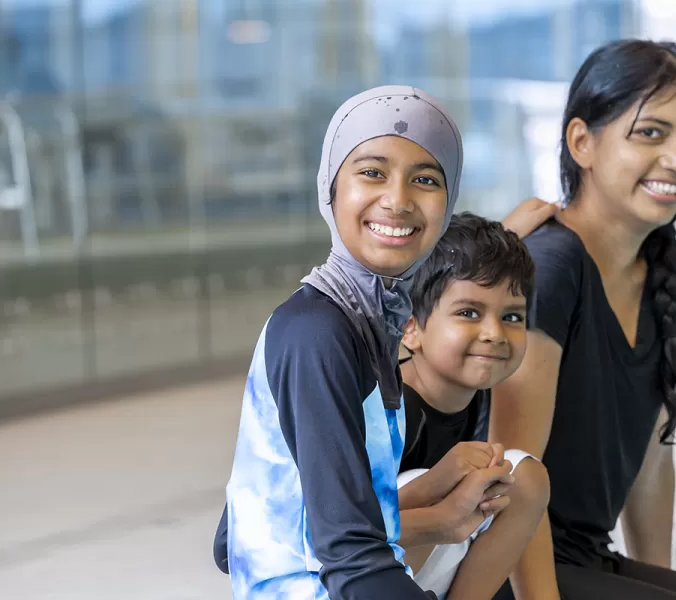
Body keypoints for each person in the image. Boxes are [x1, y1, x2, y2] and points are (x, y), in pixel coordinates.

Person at [218, 85, 514, 600]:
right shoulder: (318, 333)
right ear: (330, 188)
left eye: (425, 179)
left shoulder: (368, 323)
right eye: (372, 172)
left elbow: (233, 536)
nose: (397, 201)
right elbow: (351, 556)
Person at [489, 40, 676, 599]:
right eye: (651, 133)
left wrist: (663, 583)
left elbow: (652, 462)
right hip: (500, 567)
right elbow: (512, 474)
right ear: (582, 141)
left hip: (587, 560)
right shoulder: (549, 266)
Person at [392, 213, 558, 599]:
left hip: (414, 575)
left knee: (523, 478)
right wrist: (436, 492)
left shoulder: (474, 392)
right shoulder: (387, 408)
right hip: (333, 584)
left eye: (512, 316)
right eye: (468, 313)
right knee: (431, 483)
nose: (494, 334)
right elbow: (332, 532)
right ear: (410, 327)